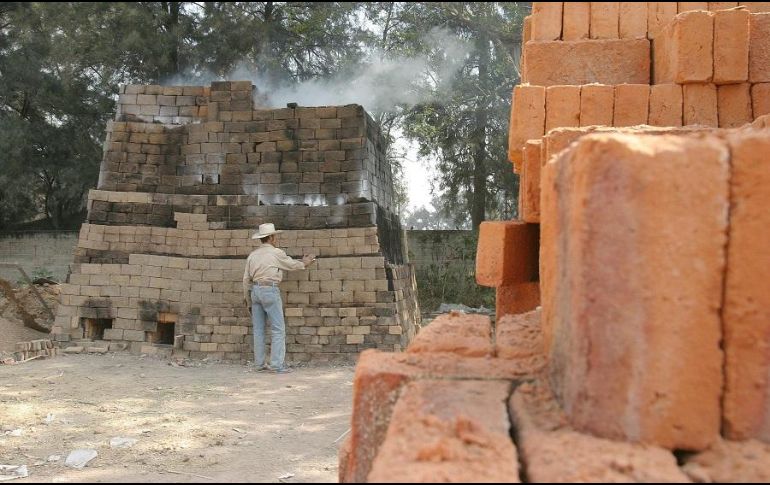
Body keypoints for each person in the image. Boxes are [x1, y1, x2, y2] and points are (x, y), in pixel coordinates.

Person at [242, 223, 315, 373]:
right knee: (278, 329)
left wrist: (247, 300)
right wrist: (305, 263)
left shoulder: (252, 255)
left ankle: (260, 364)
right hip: (270, 289)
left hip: (255, 291)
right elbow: (292, 265)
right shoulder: (276, 253)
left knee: (259, 330)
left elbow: (245, 280)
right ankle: (276, 366)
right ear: (271, 237)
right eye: (275, 236)